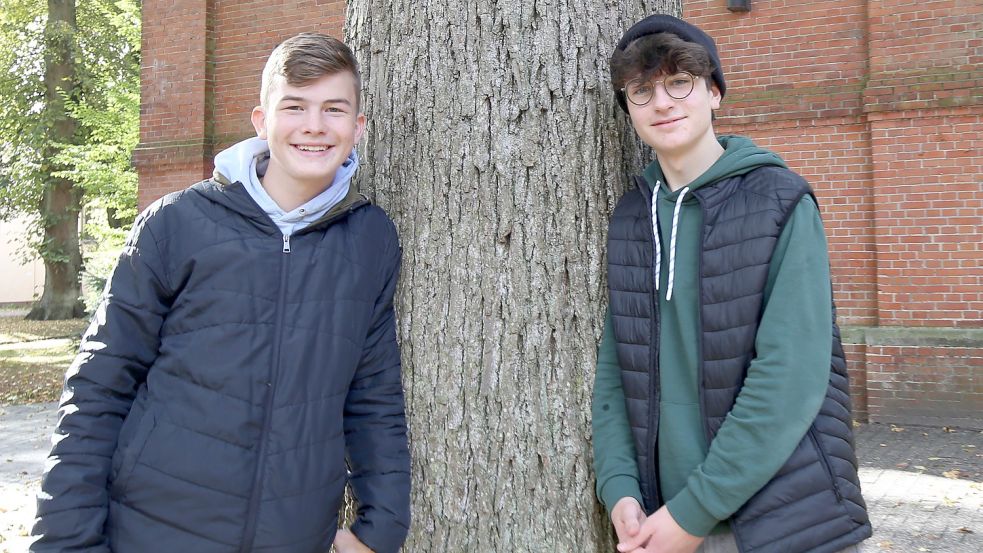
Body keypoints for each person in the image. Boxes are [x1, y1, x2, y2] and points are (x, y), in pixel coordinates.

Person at [31, 33, 410, 553]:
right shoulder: (176, 224)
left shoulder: (370, 239)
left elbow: (374, 395)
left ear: (358, 126)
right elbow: (98, 388)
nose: (315, 126)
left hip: (293, 537)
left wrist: (381, 529)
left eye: (334, 109)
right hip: (150, 531)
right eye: (294, 106)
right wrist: (65, 542)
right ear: (261, 120)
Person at [591, 15, 872, 553]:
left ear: (714, 91)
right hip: (665, 520)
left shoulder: (778, 199)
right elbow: (616, 370)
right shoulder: (633, 217)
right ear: (627, 110)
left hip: (786, 523)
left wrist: (693, 513)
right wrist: (620, 489)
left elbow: (789, 377)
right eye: (641, 91)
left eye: (680, 82)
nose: (663, 102)